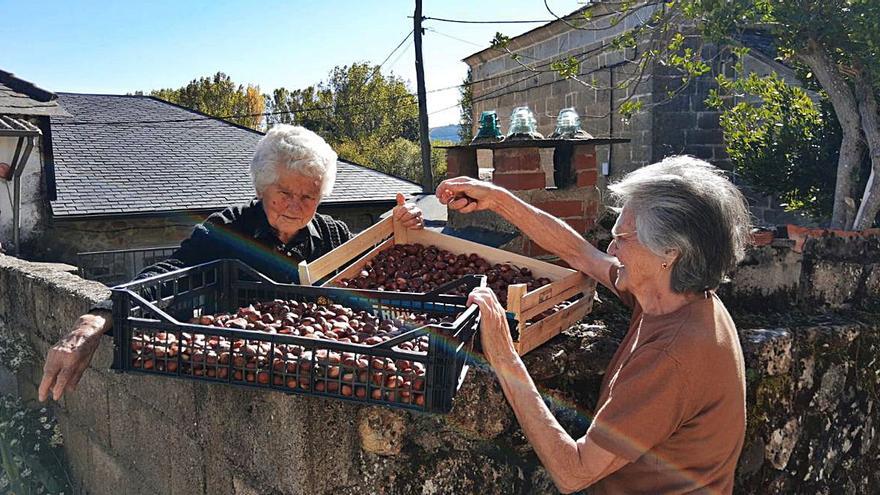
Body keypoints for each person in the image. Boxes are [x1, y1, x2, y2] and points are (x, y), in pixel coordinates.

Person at [39, 124, 424, 402]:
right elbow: (169, 274)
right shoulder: (227, 228)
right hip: (243, 381)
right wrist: (97, 318)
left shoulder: (333, 236)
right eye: (284, 192)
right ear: (262, 187)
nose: (295, 206)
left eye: (308, 197)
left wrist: (403, 231)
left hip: (328, 381)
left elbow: (379, 276)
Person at [438, 156, 750, 494]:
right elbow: (582, 255)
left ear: (669, 253)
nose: (613, 248)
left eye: (623, 238)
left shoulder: (673, 355)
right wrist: (497, 199)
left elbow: (574, 472)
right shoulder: (669, 294)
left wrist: (504, 358)